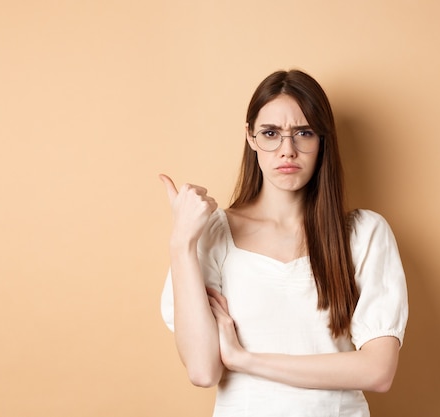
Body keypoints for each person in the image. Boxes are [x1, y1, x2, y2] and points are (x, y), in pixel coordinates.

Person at [159, 69, 408, 417]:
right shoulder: (214, 235)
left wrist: (246, 359)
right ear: (251, 137)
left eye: (303, 133)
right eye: (271, 133)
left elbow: (378, 371)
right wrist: (181, 243)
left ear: (323, 139)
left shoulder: (364, 233)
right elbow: (202, 370)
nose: (286, 151)